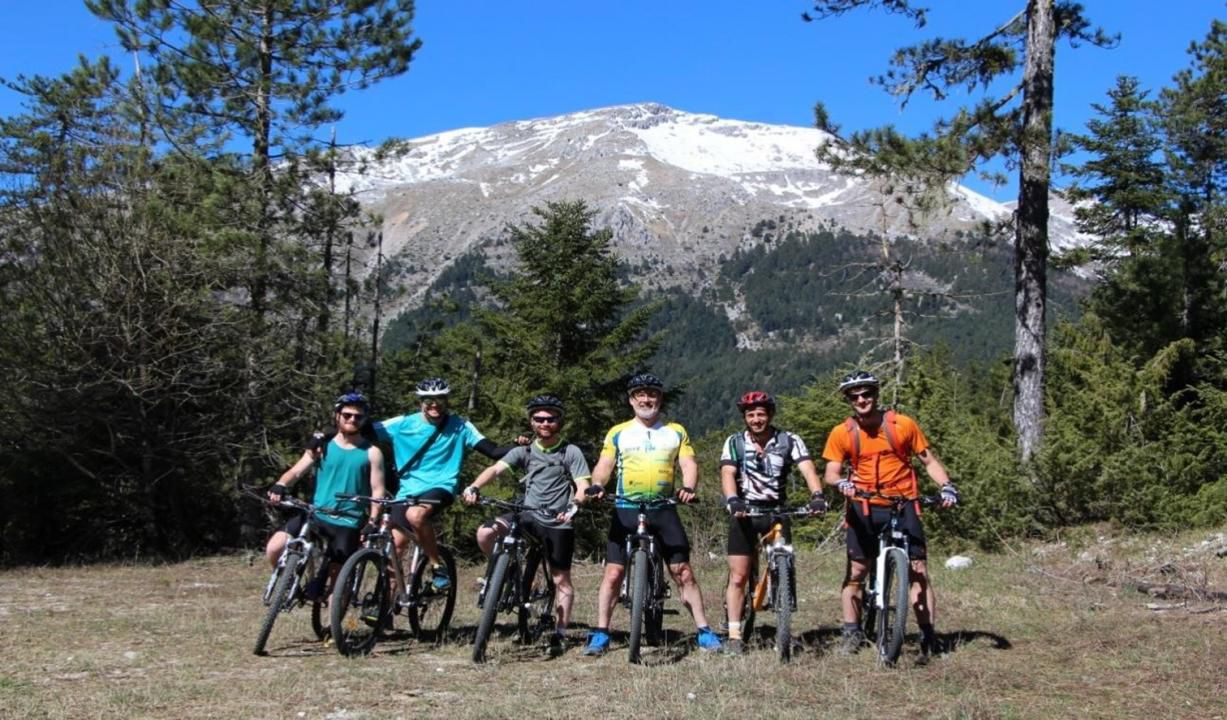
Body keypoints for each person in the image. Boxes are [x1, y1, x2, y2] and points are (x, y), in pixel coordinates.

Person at [821, 371, 959, 663]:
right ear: (848, 400)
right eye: (854, 396)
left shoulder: (902, 425)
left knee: (918, 569)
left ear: (876, 395)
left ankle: (927, 635)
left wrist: (946, 487)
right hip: (864, 505)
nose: (861, 400)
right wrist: (841, 483)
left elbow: (928, 460)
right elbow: (831, 472)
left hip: (903, 502)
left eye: (866, 394)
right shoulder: (842, 432)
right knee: (857, 572)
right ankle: (852, 631)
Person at [583, 373, 723, 655]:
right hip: (626, 508)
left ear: (660, 399)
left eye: (652, 395)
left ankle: (704, 631)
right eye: (640, 395)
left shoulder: (675, 431)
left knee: (682, 572)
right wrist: (597, 484)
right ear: (631, 400)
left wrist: (688, 487)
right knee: (613, 574)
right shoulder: (618, 431)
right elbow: (605, 463)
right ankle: (601, 633)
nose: (646, 399)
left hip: (663, 508)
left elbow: (688, 462)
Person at [462, 395, 593, 654]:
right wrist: (474, 486)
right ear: (531, 422)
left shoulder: (571, 452)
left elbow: (583, 486)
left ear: (559, 421)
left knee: (561, 580)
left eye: (550, 419)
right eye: (539, 419)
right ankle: (508, 571)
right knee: (486, 532)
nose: (545, 423)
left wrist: (573, 506)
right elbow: (496, 469)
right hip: (527, 514)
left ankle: (560, 633)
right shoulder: (524, 450)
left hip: (558, 519)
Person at [369, 377, 518, 592]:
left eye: (440, 399)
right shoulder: (402, 423)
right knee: (395, 549)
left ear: (447, 400)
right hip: (407, 491)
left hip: (442, 487)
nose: (434, 405)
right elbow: (360, 429)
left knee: (416, 516)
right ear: (421, 401)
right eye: (428, 400)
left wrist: (521, 445)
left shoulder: (460, 426)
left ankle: (438, 567)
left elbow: (492, 451)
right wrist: (323, 437)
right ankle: (386, 607)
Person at [719, 390, 827, 656]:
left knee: (785, 565)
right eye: (751, 414)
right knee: (739, 575)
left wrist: (817, 496)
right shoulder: (734, 442)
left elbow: (807, 468)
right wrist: (733, 499)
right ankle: (734, 635)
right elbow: (728, 472)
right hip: (745, 512)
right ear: (745, 417)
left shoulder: (788, 440)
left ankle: (783, 615)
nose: (757, 419)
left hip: (778, 512)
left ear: (770, 415)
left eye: (761, 414)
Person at [266, 392, 386, 597]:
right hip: (316, 514)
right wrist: (280, 485)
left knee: (338, 582)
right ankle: (287, 582)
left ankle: (334, 626)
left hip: (348, 521)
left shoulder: (372, 452)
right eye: (347, 415)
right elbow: (297, 471)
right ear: (337, 415)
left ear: (364, 419)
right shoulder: (322, 446)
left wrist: (373, 521)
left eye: (358, 416)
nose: (352, 420)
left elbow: (378, 490)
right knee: (275, 547)